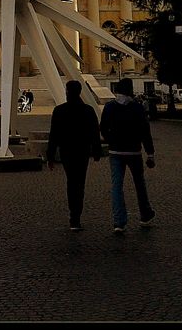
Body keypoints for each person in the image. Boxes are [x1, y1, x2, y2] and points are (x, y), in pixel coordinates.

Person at [100, 78, 156, 233]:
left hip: (115, 152)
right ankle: (145, 215)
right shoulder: (136, 108)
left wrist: (111, 140)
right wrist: (150, 154)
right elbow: (145, 132)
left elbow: (103, 128)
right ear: (130, 91)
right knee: (139, 184)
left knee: (116, 187)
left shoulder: (110, 107)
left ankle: (119, 222)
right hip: (134, 152)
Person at [46, 80, 102, 231]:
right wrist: (97, 151)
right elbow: (95, 132)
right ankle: (76, 216)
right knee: (79, 182)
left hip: (67, 152)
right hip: (82, 151)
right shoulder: (88, 110)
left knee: (71, 182)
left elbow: (54, 135)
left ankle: (73, 216)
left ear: (67, 92)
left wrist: (50, 156)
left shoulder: (59, 110)